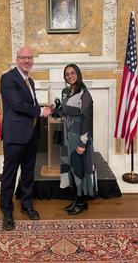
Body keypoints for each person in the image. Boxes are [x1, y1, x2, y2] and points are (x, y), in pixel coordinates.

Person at [0, 46, 52, 230]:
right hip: (14, 136)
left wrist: (45, 108)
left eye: (30, 58)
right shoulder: (8, 78)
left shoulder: (30, 81)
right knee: (9, 175)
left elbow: (31, 104)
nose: (27, 61)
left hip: (30, 135)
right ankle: (6, 212)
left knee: (28, 174)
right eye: (23, 57)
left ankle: (27, 206)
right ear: (17, 59)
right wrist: (41, 111)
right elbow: (17, 104)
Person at [52, 64, 98, 215]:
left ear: (78, 74)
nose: (70, 76)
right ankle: (76, 198)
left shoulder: (85, 94)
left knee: (79, 168)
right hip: (67, 135)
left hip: (78, 136)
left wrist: (82, 143)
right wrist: (54, 110)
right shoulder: (65, 92)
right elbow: (63, 113)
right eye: (67, 74)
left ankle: (81, 201)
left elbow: (87, 120)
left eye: (72, 73)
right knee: (71, 166)